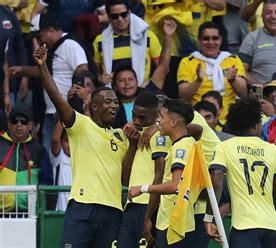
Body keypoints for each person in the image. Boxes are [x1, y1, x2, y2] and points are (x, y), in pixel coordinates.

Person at [34, 44, 129, 247]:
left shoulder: (123, 136)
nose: (113, 105)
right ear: (94, 106)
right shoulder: (81, 125)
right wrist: (42, 67)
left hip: (113, 210)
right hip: (83, 206)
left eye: (115, 102)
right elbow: (57, 98)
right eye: (107, 102)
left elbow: (126, 176)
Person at [204, 96, 276, 247]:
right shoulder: (273, 150)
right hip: (270, 226)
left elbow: (216, 182)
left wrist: (209, 218)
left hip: (244, 226)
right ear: (256, 124)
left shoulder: (225, 147)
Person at [9, 12, 92, 152]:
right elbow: (45, 72)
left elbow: (83, 70)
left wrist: (77, 102)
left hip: (67, 111)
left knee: (64, 155)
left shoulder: (69, 44)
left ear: (51, 31)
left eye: (40, 36)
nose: (39, 41)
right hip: (51, 112)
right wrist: (22, 69)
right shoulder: (56, 48)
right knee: (49, 156)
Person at [127, 98, 197, 247]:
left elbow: (175, 186)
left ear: (173, 122)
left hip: (174, 224)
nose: (158, 121)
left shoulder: (181, 147)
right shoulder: (185, 143)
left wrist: (142, 188)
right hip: (174, 221)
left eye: (162, 117)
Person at [119, 92, 171, 247]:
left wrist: (149, 216)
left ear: (156, 115)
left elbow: (159, 176)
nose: (136, 121)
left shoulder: (160, 135)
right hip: (131, 206)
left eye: (142, 118)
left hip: (150, 206)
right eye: (134, 115)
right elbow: (125, 180)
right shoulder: (132, 135)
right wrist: (133, 145)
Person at [178, 21, 247, 123]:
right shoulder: (187, 62)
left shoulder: (233, 60)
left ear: (221, 40)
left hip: (230, 121)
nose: (211, 42)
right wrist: (198, 80)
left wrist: (233, 80)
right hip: (200, 121)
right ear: (199, 41)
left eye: (215, 38)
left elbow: (243, 93)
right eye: (206, 38)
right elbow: (183, 96)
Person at [93, 0, 161, 86]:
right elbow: (95, 72)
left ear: (129, 12)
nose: (120, 19)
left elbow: (162, 68)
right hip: (112, 94)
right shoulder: (99, 40)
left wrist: (149, 84)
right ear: (109, 17)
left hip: (142, 91)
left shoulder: (148, 36)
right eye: (115, 16)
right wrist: (100, 78)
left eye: (123, 14)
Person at [0, 105, 53, 212]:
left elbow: (47, 183)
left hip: (30, 214)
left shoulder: (39, 150)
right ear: (9, 124)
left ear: (31, 126)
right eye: (15, 121)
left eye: (24, 122)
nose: (19, 125)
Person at [50, 121, 71, 212]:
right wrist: (64, 115)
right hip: (61, 210)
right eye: (67, 141)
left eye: (73, 141)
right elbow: (55, 139)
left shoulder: (83, 157)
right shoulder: (60, 157)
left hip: (80, 212)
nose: (70, 145)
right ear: (61, 142)